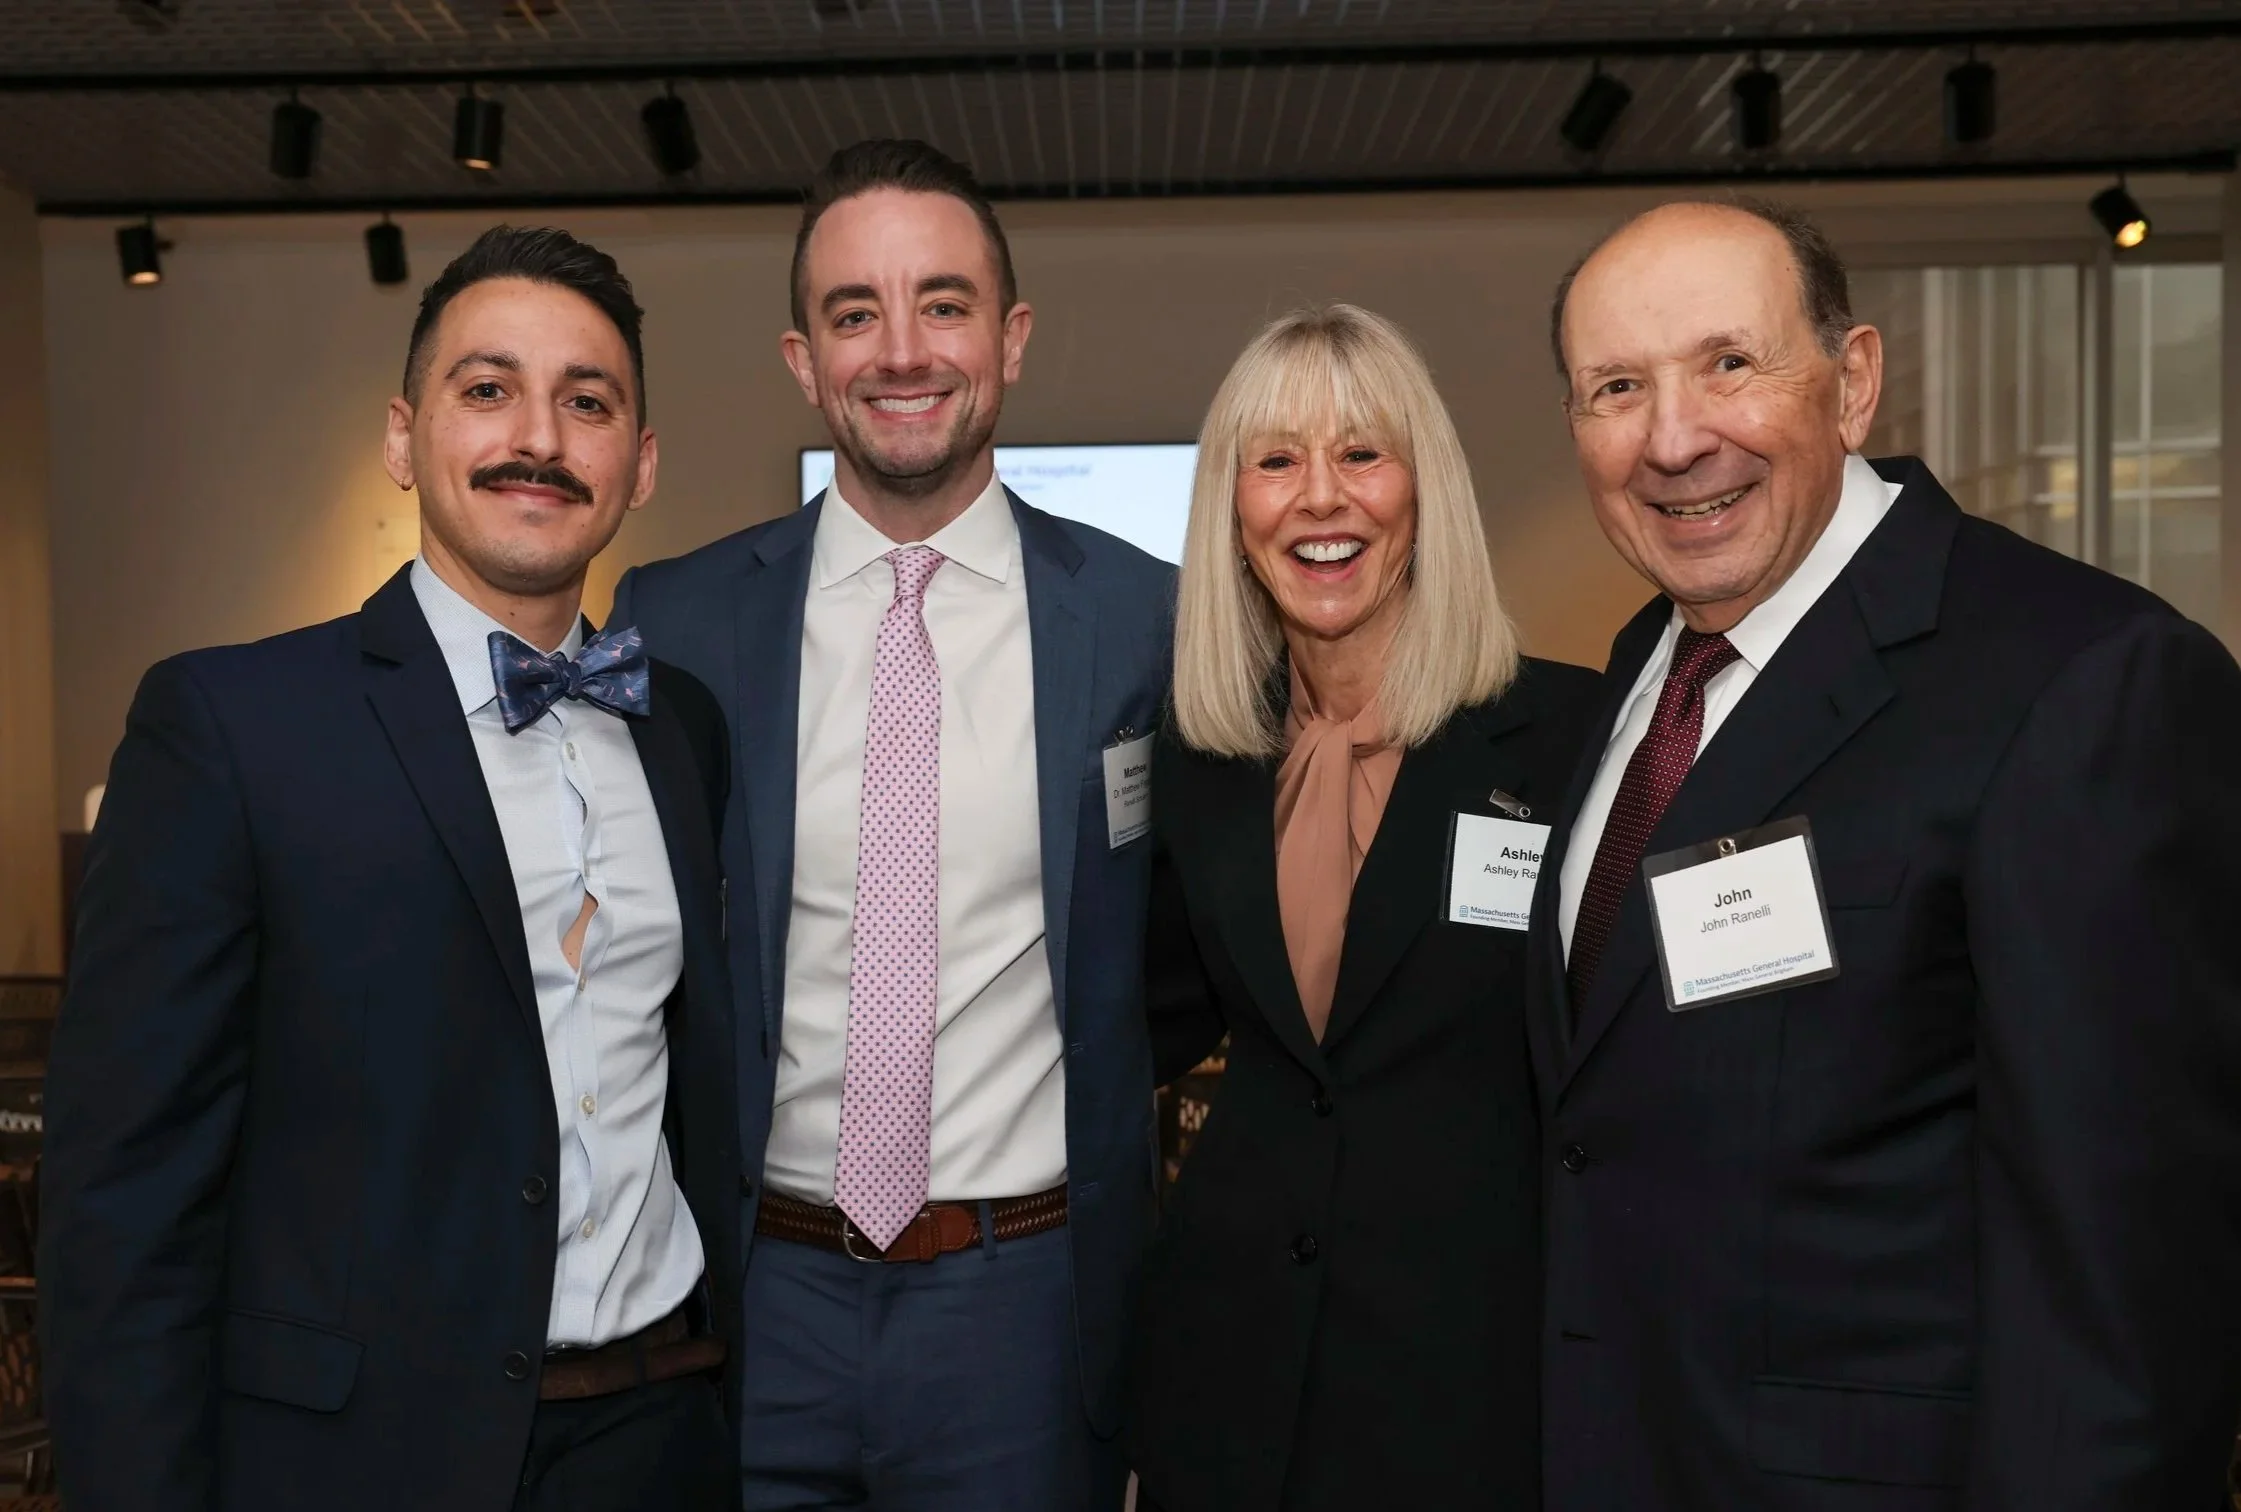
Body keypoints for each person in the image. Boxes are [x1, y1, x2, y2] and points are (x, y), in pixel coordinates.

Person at [1530, 197, 2241, 1508]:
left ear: (1851, 382)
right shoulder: (1645, 667)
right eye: (1615, 388)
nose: (1673, 437)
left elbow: (2130, 1280)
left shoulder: (2080, 682)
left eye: (1728, 363)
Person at [40, 227, 744, 1512]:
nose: (539, 434)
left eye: (587, 402)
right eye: (487, 391)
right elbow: (125, 1197)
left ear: (638, 465)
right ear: (403, 437)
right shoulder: (231, 728)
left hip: (661, 1438)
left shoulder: (682, 726)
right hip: (361, 1459)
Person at [609, 140, 1172, 1509]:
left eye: (945, 303)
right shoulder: (674, 622)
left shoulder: (1145, 621)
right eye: (855, 313)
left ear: (1011, 337)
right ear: (803, 360)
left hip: (1022, 1305)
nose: (902, 350)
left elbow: (1192, 943)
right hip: (754, 1300)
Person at [1128, 304, 1602, 1511]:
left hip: (1473, 1383)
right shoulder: (1201, 759)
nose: (1321, 498)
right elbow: (1145, 1019)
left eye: (1362, 455)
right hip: (1232, 1379)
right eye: (1277, 460)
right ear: (1233, 516)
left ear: (1423, 489)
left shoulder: (1569, 738)